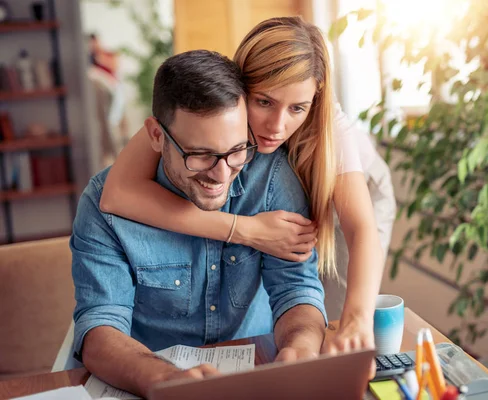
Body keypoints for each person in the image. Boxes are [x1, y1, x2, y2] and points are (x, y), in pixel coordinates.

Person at [99, 16, 392, 354]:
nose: (277, 126)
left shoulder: (332, 128)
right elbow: (118, 194)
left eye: (298, 108)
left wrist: (357, 317)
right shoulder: (211, 105)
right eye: (264, 102)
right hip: (282, 193)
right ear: (240, 86)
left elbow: (361, 229)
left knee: (337, 324)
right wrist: (248, 230)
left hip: (357, 198)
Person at [71, 50, 327, 397]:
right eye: (201, 155)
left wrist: (303, 349)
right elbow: (100, 329)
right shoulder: (104, 207)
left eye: (237, 150)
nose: (221, 174)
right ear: (157, 137)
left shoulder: (271, 179)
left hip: (254, 373)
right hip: (146, 378)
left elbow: (296, 290)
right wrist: (166, 380)